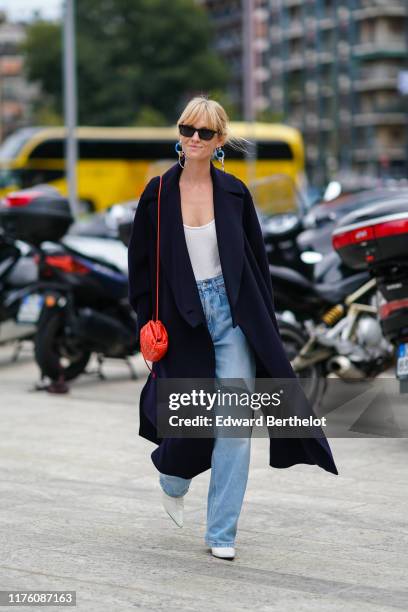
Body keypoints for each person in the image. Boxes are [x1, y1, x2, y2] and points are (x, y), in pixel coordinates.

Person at [127, 96, 338, 562]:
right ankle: (172, 475)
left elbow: (257, 266)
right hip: (181, 321)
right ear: (179, 133)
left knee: (234, 427)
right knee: (192, 421)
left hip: (233, 316)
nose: (194, 139)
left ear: (220, 140)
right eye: (187, 129)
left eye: (204, 133)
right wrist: (144, 322)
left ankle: (221, 531)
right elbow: (140, 269)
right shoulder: (157, 193)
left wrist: (265, 322)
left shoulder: (235, 193)